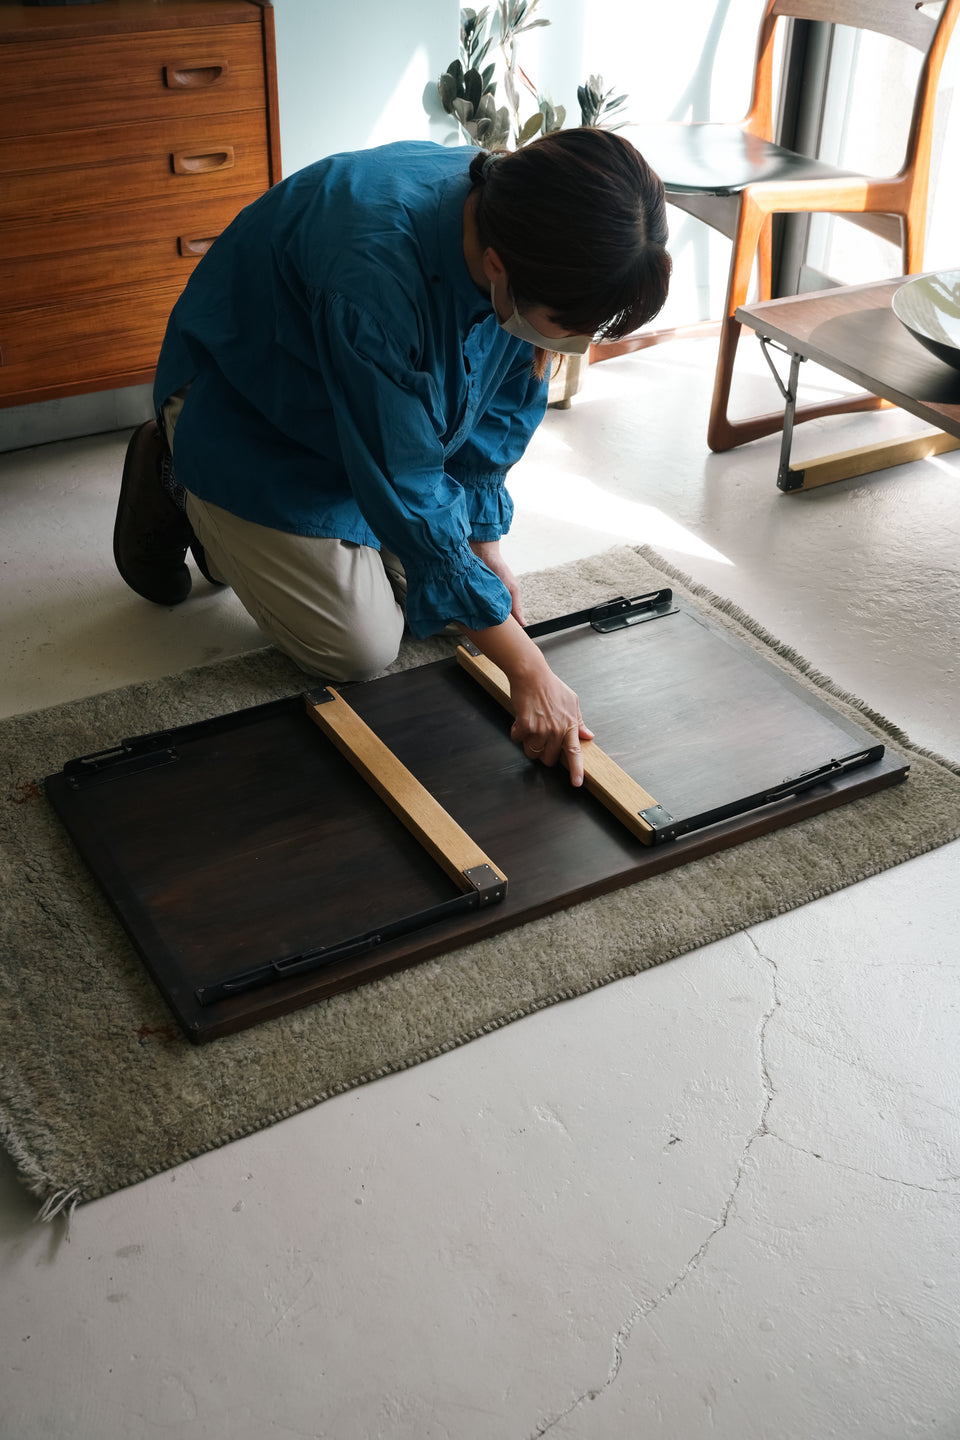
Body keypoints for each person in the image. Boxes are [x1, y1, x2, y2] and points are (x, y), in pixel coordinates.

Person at [114, 127, 671, 787]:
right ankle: (177, 475)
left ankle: (249, 538)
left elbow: (503, 403)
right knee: (359, 647)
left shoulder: (519, 213)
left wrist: (486, 547)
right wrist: (529, 670)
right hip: (252, 418)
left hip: (364, 423)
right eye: (568, 323)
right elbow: (406, 484)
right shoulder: (374, 275)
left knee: (453, 606)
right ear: (499, 269)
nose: (578, 341)